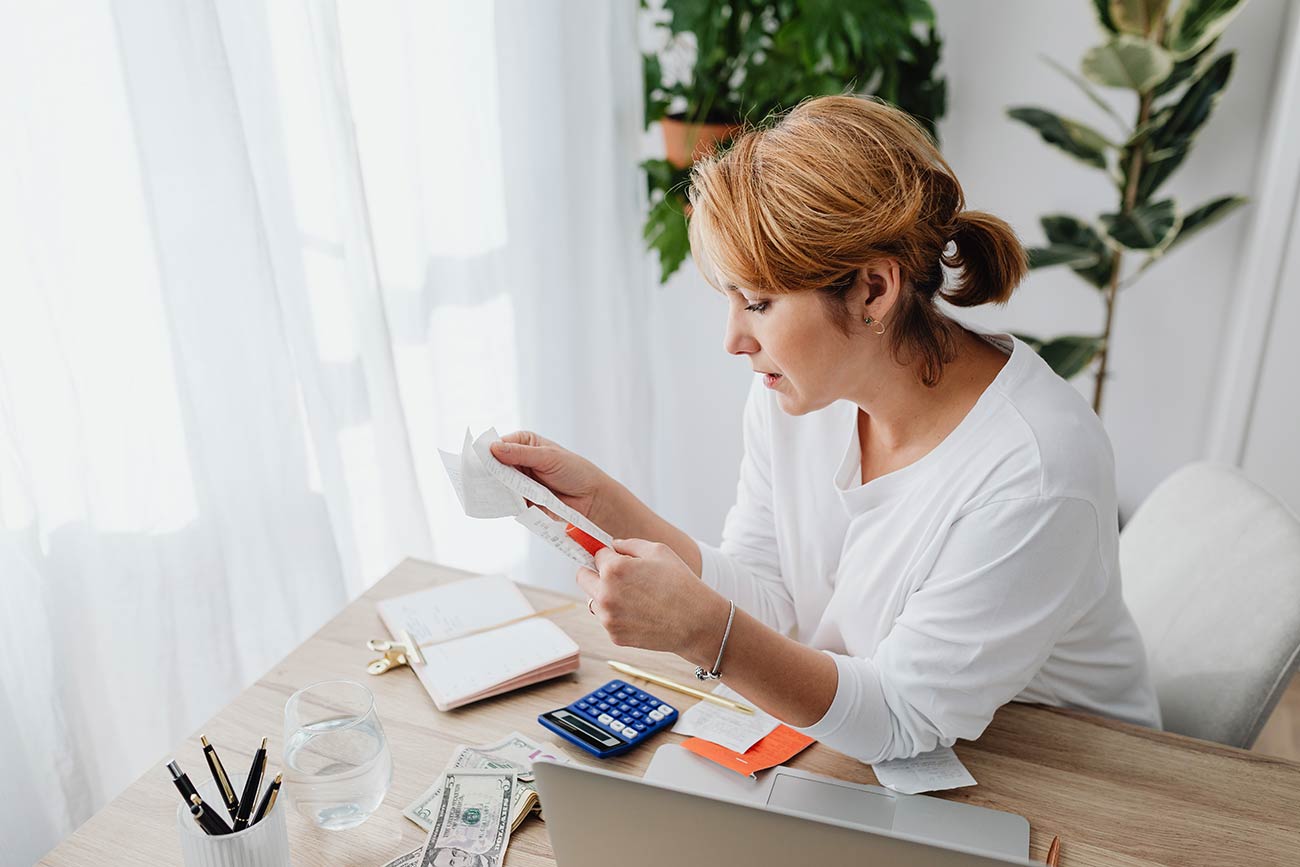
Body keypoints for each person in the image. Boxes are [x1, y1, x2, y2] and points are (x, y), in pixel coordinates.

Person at [490, 95, 1160, 764]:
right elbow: (770, 601)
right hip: (920, 758)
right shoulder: (799, 395)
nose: (733, 340)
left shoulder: (1035, 470)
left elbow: (902, 716)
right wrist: (603, 505)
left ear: (872, 289)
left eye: (757, 302)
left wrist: (706, 635)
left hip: (1071, 773)